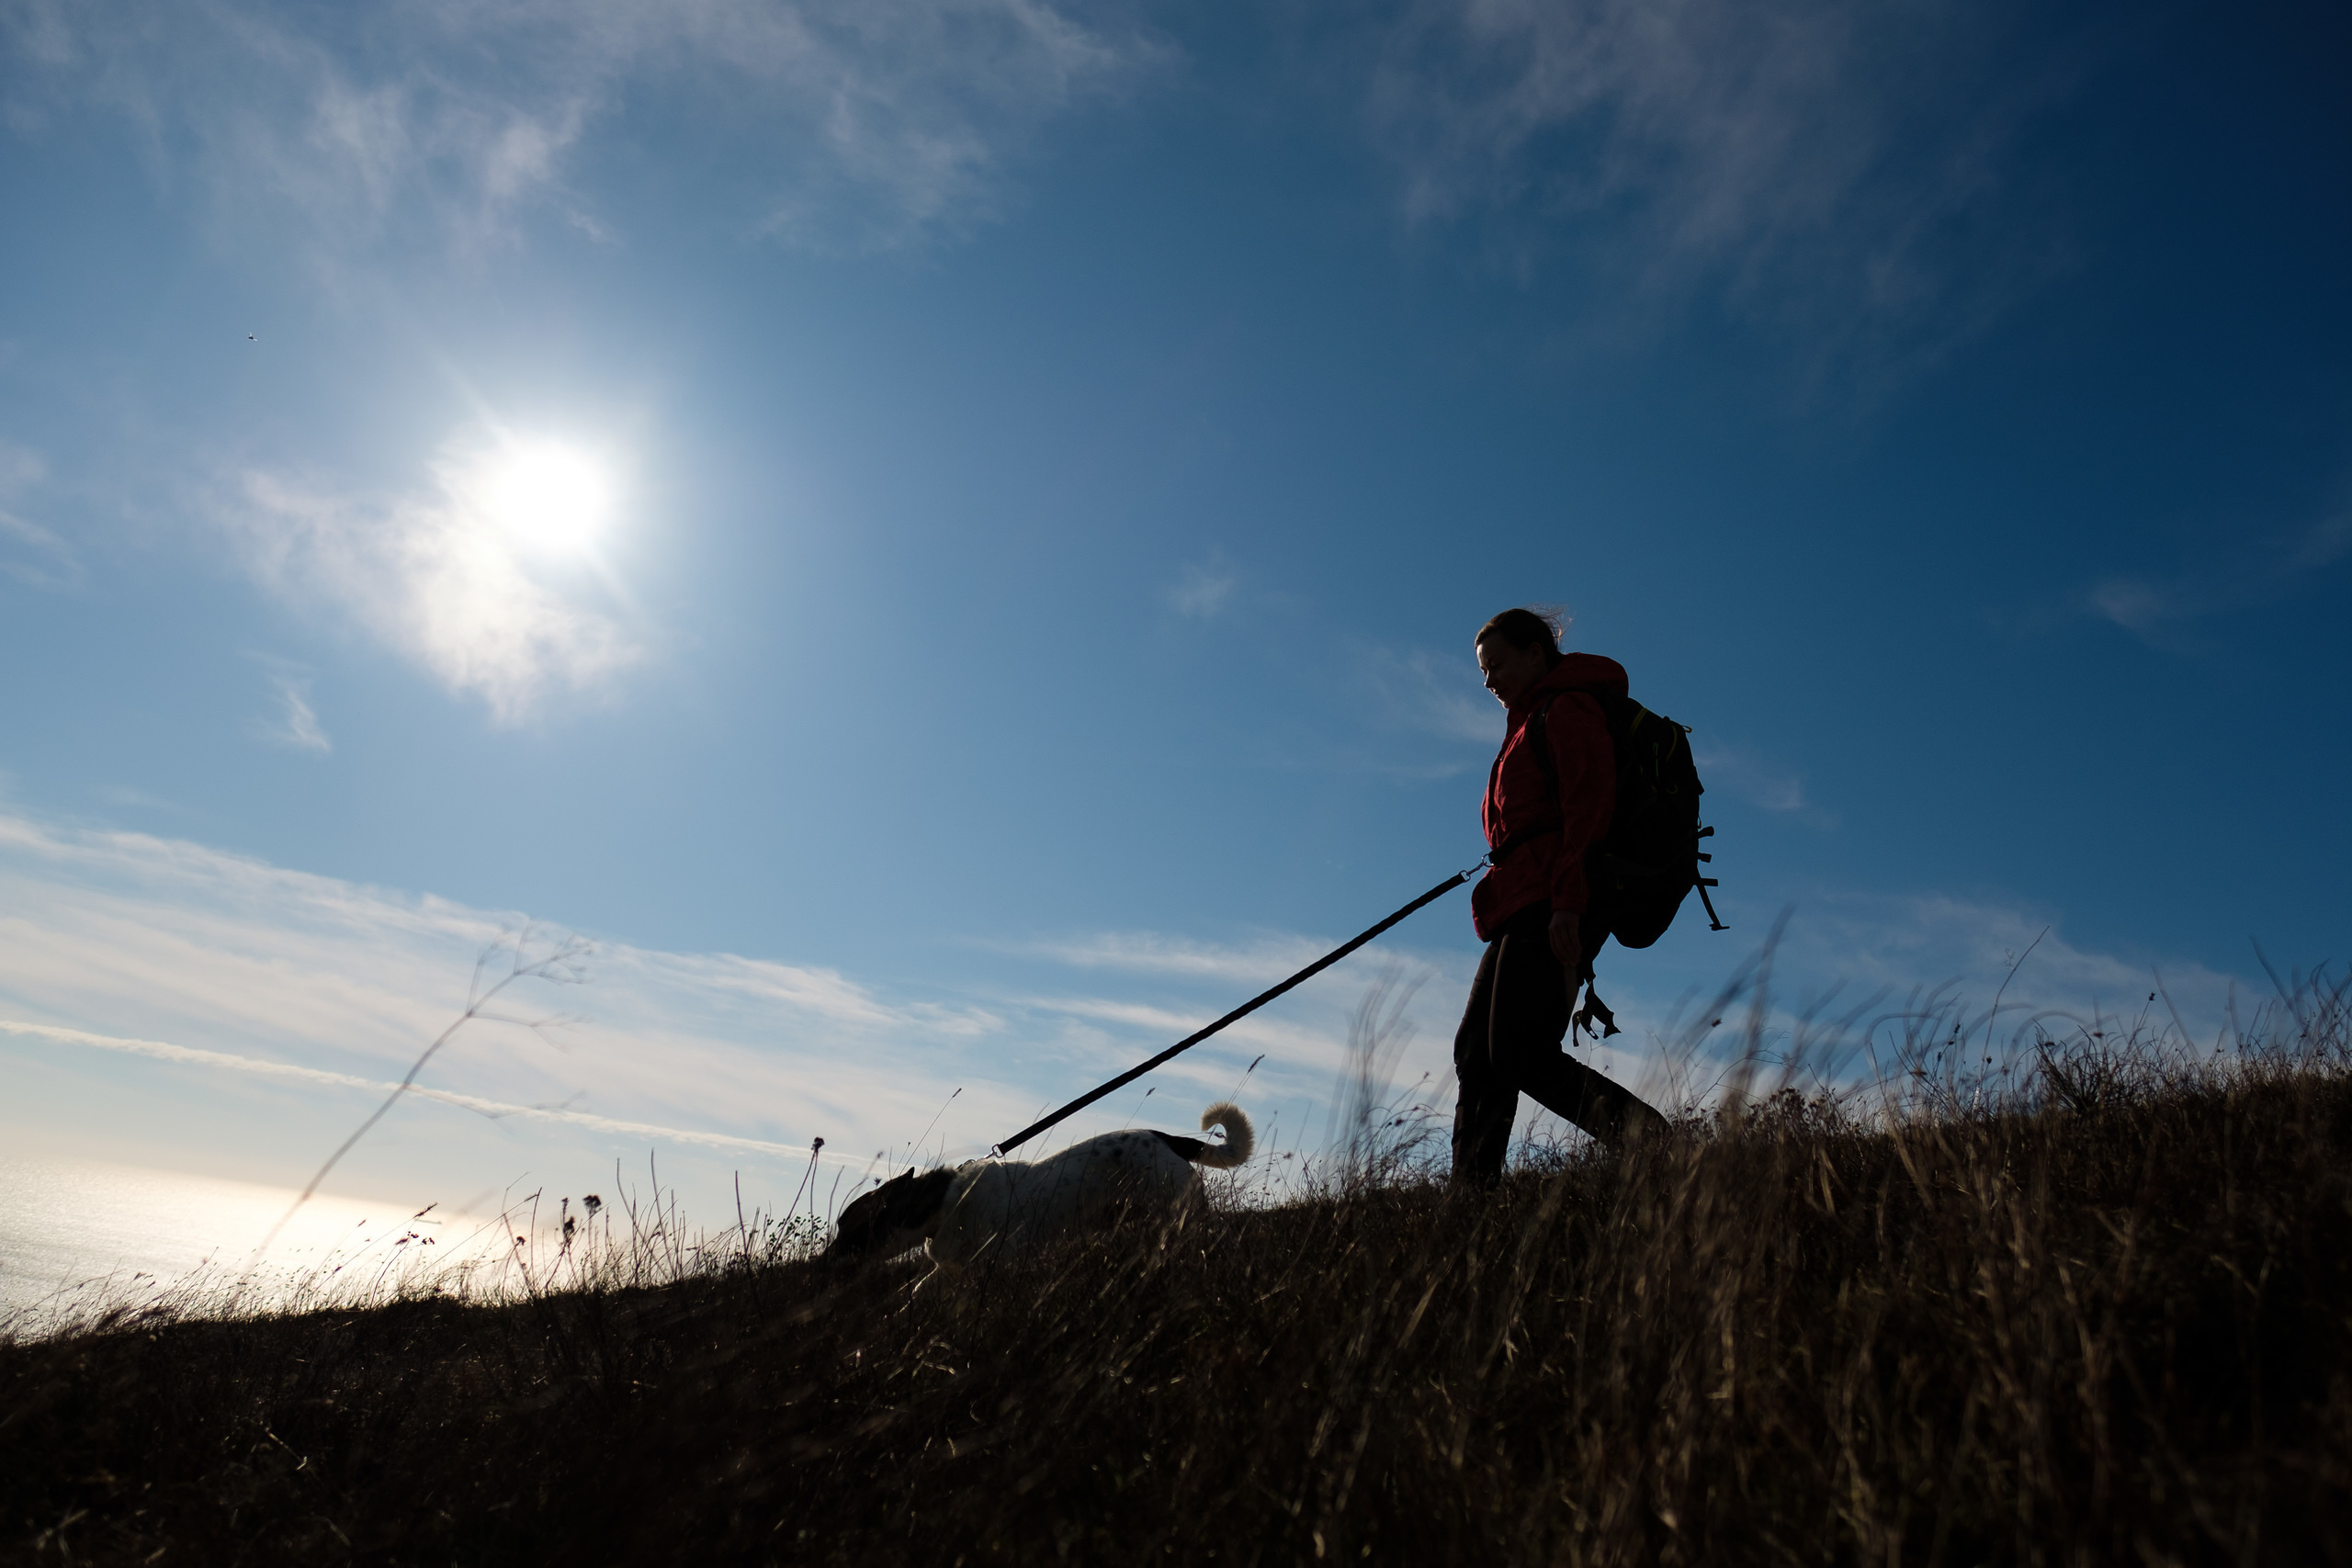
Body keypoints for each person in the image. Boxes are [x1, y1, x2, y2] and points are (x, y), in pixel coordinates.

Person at [1452, 607, 1666, 1183]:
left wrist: (1569, 902)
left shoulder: (1567, 708)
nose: (1488, 680)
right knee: (1478, 1054)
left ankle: (1656, 1146)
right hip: (1520, 902)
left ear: (1535, 653)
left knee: (1518, 1050)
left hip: (1554, 901)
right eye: (1483, 670)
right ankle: (1470, 1205)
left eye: (1496, 664)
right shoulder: (1526, 723)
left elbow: (1588, 808)